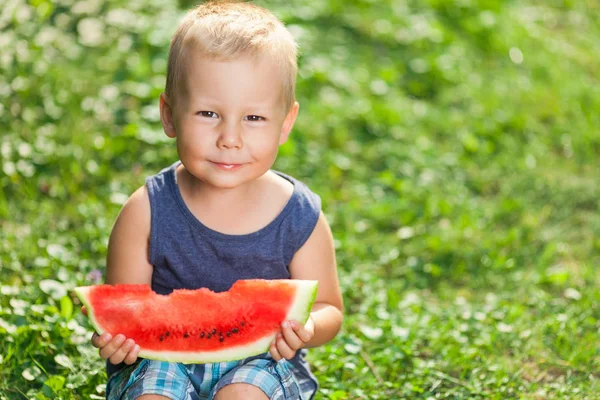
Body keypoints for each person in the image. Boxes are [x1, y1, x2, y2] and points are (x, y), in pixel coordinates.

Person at [82, 1, 343, 399]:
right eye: (208, 113)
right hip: (159, 360)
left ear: (286, 123)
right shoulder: (147, 211)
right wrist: (120, 339)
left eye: (253, 118)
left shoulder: (298, 216)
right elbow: (127, 312)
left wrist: (306, 328)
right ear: (169, 115)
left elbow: (329, 307)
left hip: (264, 362)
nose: (230, 138)